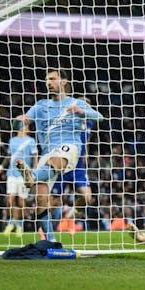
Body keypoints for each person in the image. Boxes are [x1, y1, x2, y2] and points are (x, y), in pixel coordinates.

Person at [16, 69, 103, 242]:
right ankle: (51, 241)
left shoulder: (76, 102)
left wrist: (81, 111)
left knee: (84, 194)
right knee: (42, 198)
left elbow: (99, 117)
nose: (49, 82)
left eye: (53, 79)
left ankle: (33, 177)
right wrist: (20, 120)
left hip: (69, 148)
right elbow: (23, 120)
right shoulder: (40, 105)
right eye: (47, 79)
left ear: (64, 81)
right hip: (47, 153)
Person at [50, 98, 95, 230]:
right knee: (53, 201)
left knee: (87, 197)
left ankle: (70, 215)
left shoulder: (89, 122)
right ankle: (44, 228)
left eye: (87, 106)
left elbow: (87, 140)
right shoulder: (68, 119)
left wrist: (86, 154)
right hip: (64, 163)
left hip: (78, 165)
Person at [0, 121, 38, 238]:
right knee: (10, 199)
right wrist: (0, 168)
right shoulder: (12, 140)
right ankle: (11, 223)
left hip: (24, 174)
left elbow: (35, 156)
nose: (28, 128)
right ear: (21, 127)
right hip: (12, 173)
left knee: (21, 202)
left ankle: (19, 225)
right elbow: (9, 157)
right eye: (26, 126)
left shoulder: (31, 141)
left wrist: (34, 171)